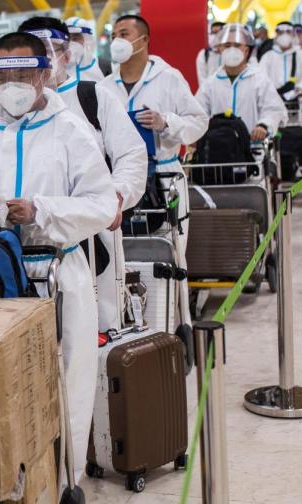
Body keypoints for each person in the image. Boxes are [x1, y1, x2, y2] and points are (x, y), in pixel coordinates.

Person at [0, 32, 117, 486]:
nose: (12, 82)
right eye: (2, 73)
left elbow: (101, 204)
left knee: (67, 382)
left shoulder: (71, 132)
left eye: (23, 72)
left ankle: (63, 488)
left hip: (58, 269)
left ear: (43, 73)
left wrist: (41, 209)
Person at [19, 16, 148, 332]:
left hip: (92, 236)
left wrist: (117, 195)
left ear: (65, 55)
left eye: (50, 52)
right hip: (26, 240)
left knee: (97, 326)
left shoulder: (93, 97)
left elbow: (131, 154)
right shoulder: (9, 109)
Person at [101, 14, 208, 328]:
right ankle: (131, 324)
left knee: (171, 251)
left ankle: (177, 324)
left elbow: (199, 122)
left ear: (143, 39)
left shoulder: (168, 78)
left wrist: (167, 123)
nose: (117, 39)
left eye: (125, 33)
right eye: (114, 34)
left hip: (164, 179)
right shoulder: (105, 87)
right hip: (121, 183)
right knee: (124, 254)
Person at [197, 24, 287, 142]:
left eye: (237, 45)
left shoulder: (259, 80)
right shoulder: (210, 84)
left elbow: (274, 109)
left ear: (246, 50)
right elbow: (198, 113)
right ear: (220, 49)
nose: (232, 49)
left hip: (253, 151)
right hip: (217, 152)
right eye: (227, 45)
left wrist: (263, 125)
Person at [260, 22, 302, 118]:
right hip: (273, 105)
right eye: (280, 32)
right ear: (276, 35)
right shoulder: (267, 57)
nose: (284, 35)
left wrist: (300, 88)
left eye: (288, 32)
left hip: (297, 105)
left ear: (293, 35)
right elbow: (261, 78)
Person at [65, 17, 105, 82]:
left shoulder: (102, 66)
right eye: (67, 39)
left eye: (75, 39)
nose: (70, 43)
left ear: (87, 39)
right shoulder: (57, 69)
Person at [196, 21, 225, 86]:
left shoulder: (229, 54)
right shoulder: (203, 54)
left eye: (218, 33)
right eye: (213, 33)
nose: (215, 36)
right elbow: (202, 80)